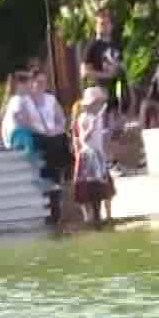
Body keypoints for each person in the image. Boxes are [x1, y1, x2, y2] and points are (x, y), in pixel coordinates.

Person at [72, 87, 117, 224]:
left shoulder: (98, 117)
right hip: (88, 156)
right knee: (88, 189)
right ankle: (89, 218)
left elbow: (101, 138)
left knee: (105, 188)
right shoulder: (83, 118)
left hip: (99, 154)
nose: (99, 105)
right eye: (97, 102)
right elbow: (84, 139)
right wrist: (91, 126)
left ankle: (108, 216)